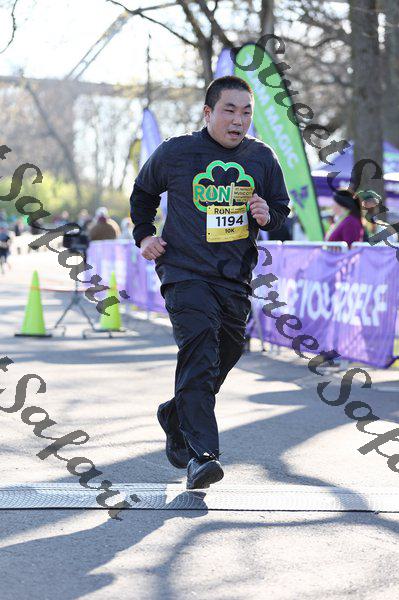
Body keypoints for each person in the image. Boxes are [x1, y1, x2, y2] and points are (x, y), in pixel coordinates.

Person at [130, 75, 290, 490]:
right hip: (183, 271)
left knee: (228, 351)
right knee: (199, 348)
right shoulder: (177, 152)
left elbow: (281, 211)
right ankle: (202, 455)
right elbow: (143, 193)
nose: (238, 120)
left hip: (234, 278)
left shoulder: (262, 158)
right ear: (208, 113)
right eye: (229, 110)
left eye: (246, 112)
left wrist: (267, 215)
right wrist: (144, 235)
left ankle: (175, 413)